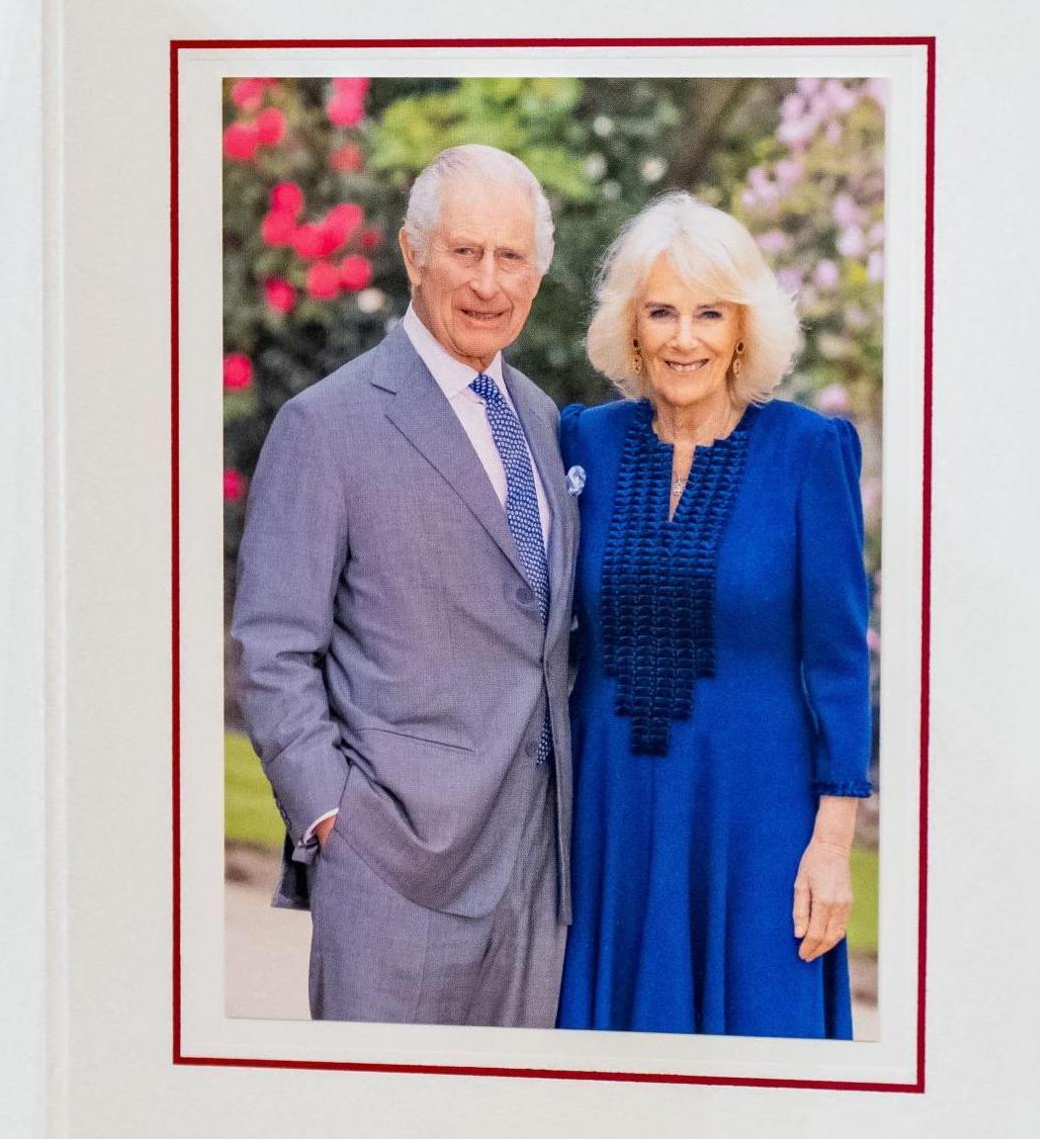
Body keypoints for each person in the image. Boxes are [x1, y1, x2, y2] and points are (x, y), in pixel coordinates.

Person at [231, 144, 579, 1027]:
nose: (489, 282)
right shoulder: (326, 425)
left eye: (512, 257)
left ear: (537, 273)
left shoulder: (544, 421)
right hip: (391, 871)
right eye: (466, 252)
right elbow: (273, 648)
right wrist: (329, 819)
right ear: (413, 253)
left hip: (538, 874)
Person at [554, 191, 873, 1039]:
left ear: (744, 329)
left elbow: (842, 663)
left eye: (708, 313)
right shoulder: (582, 441)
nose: (683, 337)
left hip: (758, 827)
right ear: (631, 326)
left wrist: (833, 844)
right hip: (611, 817)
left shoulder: (810, 451)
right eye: (661, 311)